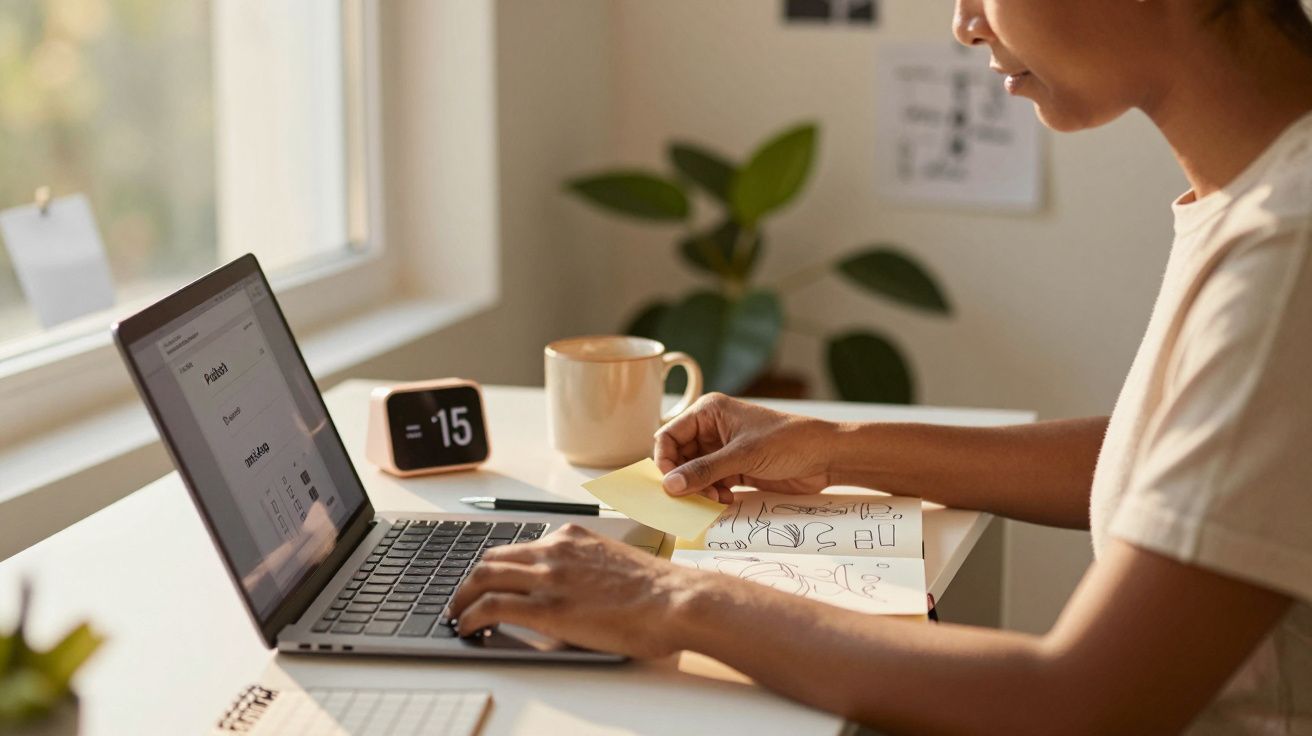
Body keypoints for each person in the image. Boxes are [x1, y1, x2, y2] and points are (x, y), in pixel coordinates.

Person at [450, 0, 1312, 731]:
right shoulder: (1260, 196)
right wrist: (833, 445)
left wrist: (669, 599)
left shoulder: (1288, 244)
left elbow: (1082, 701)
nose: (965, 24)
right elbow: (1184, 467)